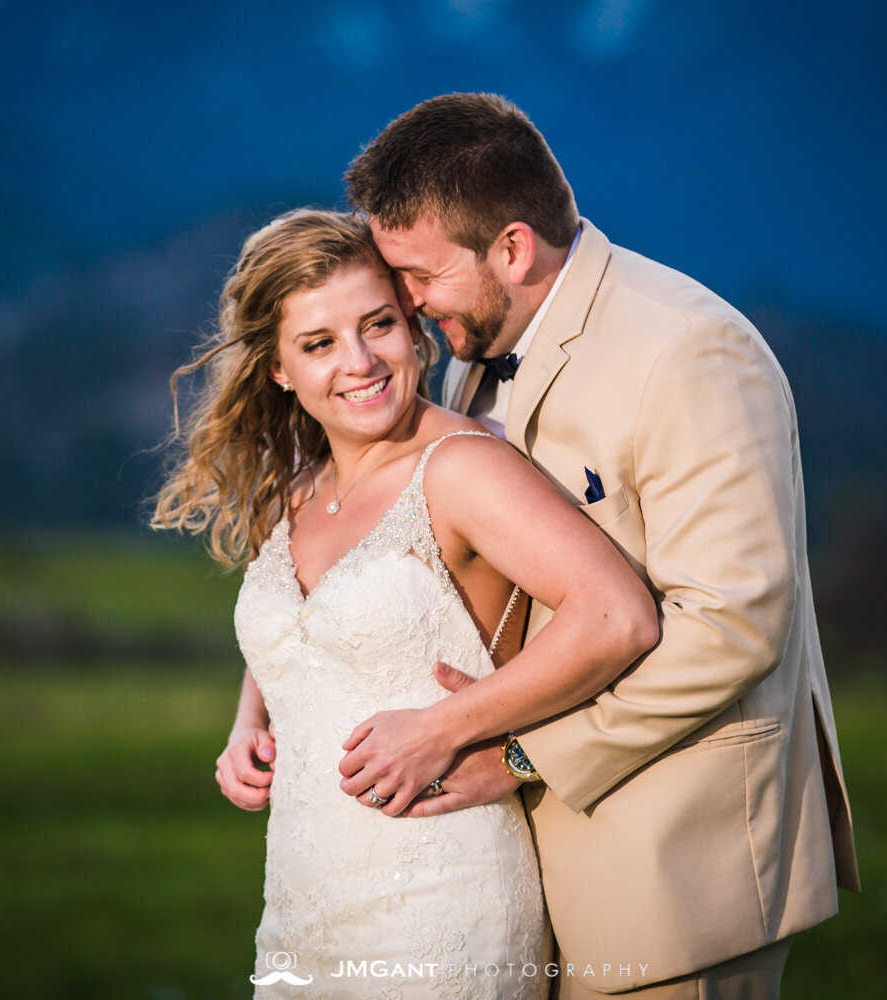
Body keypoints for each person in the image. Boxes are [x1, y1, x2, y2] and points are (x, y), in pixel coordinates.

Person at [339, 93, 860, 999]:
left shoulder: (692, 352)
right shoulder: (474, 346)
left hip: (676, 872)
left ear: (511, 247)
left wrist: (515, 755)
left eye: (420, 275)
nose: (408, 305)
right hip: (524, 876)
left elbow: (733, 625)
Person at [151, 208, 658, 998]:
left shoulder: (459, 468)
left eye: (378, 324)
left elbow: (617, 615)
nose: (359, 361)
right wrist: (252, 720)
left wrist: (445, 727)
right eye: (318, 344)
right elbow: (310, 632)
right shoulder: (299, 490)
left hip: (443, 900)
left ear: (411, 325)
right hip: (302, 906)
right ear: (279, 369)